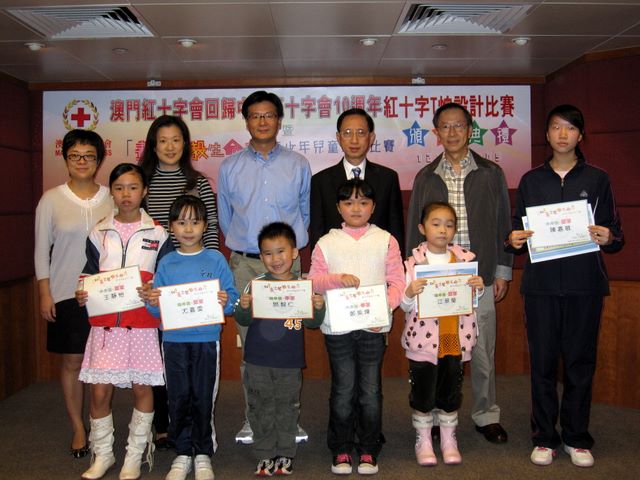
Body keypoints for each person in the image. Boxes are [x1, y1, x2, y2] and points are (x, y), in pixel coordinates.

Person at [506, 104, 623, 468]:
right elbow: (515, 230)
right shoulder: (531, 180)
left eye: (570, 128)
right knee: (542, 363)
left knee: (579, 363)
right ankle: (544, 437)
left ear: (580, 135)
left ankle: (576, 437)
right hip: (540, 287)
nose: (562, 134)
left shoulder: (598, 179)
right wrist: (513, 239)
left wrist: (608, 237)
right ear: (546, 134)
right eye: (556, 127)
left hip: (584, 286)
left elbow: (615, 233)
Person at [406, 102, 513, 444]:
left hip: (477, 278)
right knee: (439, 351)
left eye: (459, 126)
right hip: (436, 280)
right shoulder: (426, 176)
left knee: (482, 352)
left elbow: (503, 222)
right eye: (445, 127)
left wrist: (502, 271)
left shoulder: (491, 173)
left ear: (470, 130)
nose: (452, 132)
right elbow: (413, 229)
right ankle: (439, 414)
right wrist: (412, 274)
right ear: (436, 133)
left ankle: (486, 415)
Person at [217, 90, 312, 444]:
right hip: (246, 265)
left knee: (288, 345)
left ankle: (289, 419)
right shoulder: (230, 167)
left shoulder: (298, 164)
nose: (262, 121)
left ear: (279, 120)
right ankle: (252, 418)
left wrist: (288, 255)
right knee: (251, 346)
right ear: (246, 122)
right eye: (255, 116)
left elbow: (304, 213)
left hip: (288, 267)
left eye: (268, 115)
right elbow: (225, 218)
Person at [75, 163, 173, 480]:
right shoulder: (99, 231)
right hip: (105, 328)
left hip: (142, 325)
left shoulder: (158, 233)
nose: (126, 194)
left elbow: (166, 278)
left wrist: (155, 290)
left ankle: (134, 456)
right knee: (99, 393)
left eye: (133, 187)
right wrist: (82, 290)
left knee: (142, 388)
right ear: (112, 192)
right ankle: (103, 455)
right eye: (119, 188)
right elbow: (89, 272)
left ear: (144, 191)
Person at [308, 178, 405, 475]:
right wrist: (337, 279)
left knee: (370, 391)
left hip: (373, 328)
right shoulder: (327, 242)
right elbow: (313, 281)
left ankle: (368, 448)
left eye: (363, 202)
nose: (356, 208)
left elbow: (397, 282)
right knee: (343, 388)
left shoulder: (385, 240)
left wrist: (383, 309)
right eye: (348, 203)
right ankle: (340, 447)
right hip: (337, 329)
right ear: (338, 208)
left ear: (373, 207)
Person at [139, 114, 220, 450]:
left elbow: (210, 232)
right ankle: (163, 423)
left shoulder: (197, 182)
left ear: (185, 144)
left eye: (176, 140)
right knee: (160, 351)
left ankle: (193, 428)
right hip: (155, 273)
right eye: (163, 140)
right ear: (153, 145)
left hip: (194, 276)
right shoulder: (142, 181)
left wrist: (212, 278)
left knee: (189, 354)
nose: (170, 146)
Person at [145, 195, 239, 480]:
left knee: (202, 395)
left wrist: (225, 300)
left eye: (195, 222)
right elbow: (155, 310)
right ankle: (183, 452)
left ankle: (202, 453)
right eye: (181, 222)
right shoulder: (167, 263)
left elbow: (231, 300)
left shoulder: (215, 259)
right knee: (178, 396)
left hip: (206, 340)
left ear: (205, 226)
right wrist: (152, 301)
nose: (188, 229)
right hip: (173, 341)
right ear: (171, 226)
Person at [34, 129, 113, 459]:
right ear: (65, 159)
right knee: (73, 360)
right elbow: (41, 251)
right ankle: (78, 427)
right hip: (66, 291)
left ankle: (99, 423)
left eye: (89, 156)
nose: (82, 162)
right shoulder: (51, 199)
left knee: (104, 363)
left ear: (99, 160)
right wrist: (45, 293)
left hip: (107, 293)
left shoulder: (111, 196)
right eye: (75, 156)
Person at [234, 222, 325, 476]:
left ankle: (286, 452)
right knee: (260, 407)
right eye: (268, 253)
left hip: (289, 361)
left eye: (281, 251)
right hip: (258, 360)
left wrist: (318, 308)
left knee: (287, 407)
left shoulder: (302, 286)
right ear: (261, 256)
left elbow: (313, 324)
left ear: (294, 253)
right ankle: (264, 454)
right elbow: (243, 320)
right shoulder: (255, 285)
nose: (275, 259)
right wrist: (243, 306)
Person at [401, 202, 484, 466]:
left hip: (455, 338)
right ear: (422, 228)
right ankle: (424, 440)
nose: (442, 230)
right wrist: (410, 292)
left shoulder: (465, 260)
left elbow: (473, 300)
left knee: (450, 392)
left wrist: (478, 287)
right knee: (423, 393)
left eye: (449, 225)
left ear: (455, 230)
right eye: (435, 224)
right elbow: (404, 305)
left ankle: (449, 440)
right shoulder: (413, 263)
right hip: (423, 342)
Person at [310, 107, 404, 251]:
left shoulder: (388, 178)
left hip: (378, 259)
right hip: (336, 260)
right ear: (338, 137)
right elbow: (317, 233)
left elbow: (396, 229)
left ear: (371, 138)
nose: (354, 140)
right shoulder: (321, 181)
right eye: (347, 133)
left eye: (361, 133)